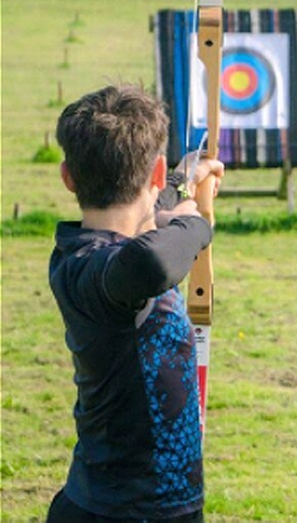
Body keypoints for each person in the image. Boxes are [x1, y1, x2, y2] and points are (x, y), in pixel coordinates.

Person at [47, 84, 224, 522]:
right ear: (155, 171)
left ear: (68, 176)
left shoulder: (100, 254)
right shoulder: (90, 268)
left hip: (152, 505)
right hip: (120, 510)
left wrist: (184, 182)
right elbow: (149, 259)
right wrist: (195, 223)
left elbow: (148, 215)